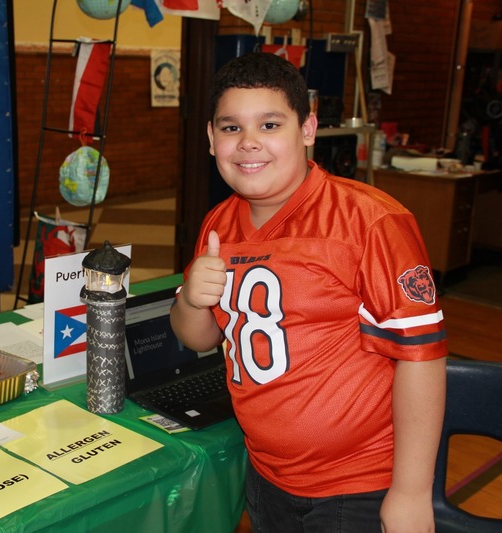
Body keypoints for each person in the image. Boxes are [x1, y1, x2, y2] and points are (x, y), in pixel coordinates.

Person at [169, 52, 448, 533]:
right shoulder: (219, 222)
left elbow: (420, 358)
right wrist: (191, 299)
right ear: (211, 139)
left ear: (307, 129)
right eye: (231, 128)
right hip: (267, 474)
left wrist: (411, 492)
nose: (249, 142)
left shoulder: (369, 222)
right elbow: (200, 340)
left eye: (270, 124)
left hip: (359, 484)